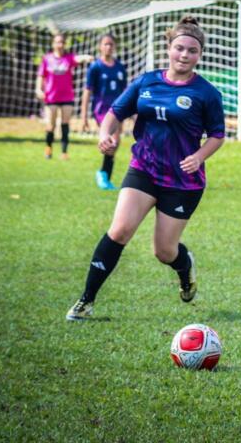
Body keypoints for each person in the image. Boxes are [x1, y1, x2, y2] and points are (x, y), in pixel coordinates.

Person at [66, 16, 225, 321]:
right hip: (144, 169)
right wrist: (105, 135)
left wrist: (200, 156)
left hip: (182, 180)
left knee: (164, 251)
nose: (184, 55)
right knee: (120, 229)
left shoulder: (206, 93)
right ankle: (86, 301)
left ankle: (184, 265)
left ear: (199, 55)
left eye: (192, 51)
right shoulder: (146, 81)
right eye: (179, 48)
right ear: (169, 48)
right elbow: (114, 113)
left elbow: (217, 135)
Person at [80, 34, 128, 190]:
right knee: (112, 139)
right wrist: (83, 116)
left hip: (118, 109)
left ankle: (104, 174)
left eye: (111, 44)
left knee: (116, 142)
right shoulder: (95, 67)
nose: (108, 47)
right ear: (100, 46)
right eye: (105, 44)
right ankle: (104, 175)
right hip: (101, 110)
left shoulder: (120, 67)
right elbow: (87, 91)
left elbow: (126, 91)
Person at [35, 33, 93, 159]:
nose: (60, 45)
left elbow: (77, 59)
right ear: (53, 44)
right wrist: (38, 89)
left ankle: (64, 152)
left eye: (62, 42)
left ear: (64, 44)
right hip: (51, 97)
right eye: (57, 42)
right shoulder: (47, 59)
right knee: (51, 125)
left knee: (65, 124)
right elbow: (41, 75)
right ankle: (48, 149)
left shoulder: (68, 58)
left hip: (67, 97)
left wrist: (85, 57)